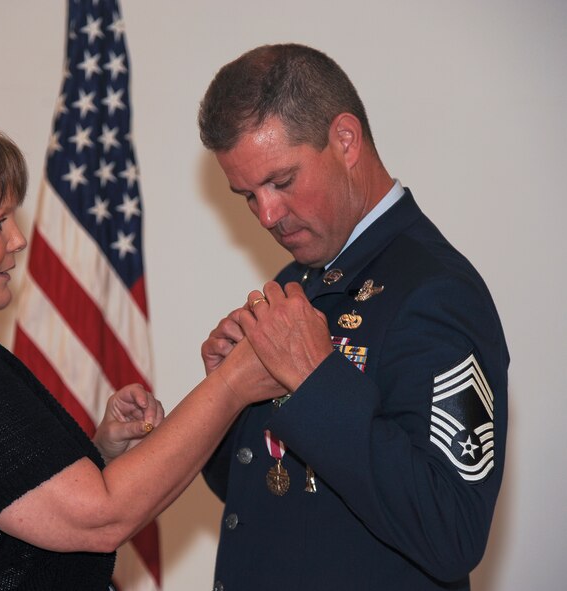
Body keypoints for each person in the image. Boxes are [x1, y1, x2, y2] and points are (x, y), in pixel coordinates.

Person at [0, 114, 299, 590]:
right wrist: (234, 382)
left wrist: (99, 457)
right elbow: (98, 519)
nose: (18, 239)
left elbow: (10, 523)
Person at [198, 44, 508, 590]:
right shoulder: (301, 281)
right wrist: (229, 397)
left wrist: (317, 382)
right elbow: (272, 498)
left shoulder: (437, 291)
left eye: (281, 181)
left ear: (345, 140)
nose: (266, 215)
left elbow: (452, 531)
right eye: (247, 195)